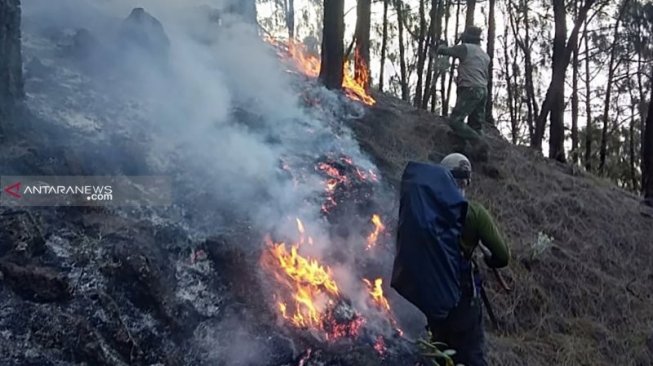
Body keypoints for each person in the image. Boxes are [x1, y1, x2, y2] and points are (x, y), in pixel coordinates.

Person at [428, 153, 510, 366]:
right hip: (463, 300)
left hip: (432, 299)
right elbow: (502, 256)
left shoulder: (426, 209)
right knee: (471, 355)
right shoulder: (474, 213)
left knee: (438, 354)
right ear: (467, 180)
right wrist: (489, 261)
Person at [436, 26, 491, 141]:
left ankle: (479, 142)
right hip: (483, 90)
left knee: (455, 121)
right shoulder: (485, 55)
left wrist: (440, 45)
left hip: (470, 89)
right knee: (476, 125)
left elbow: (444, 51)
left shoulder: (465, 48)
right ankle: (479, 153)